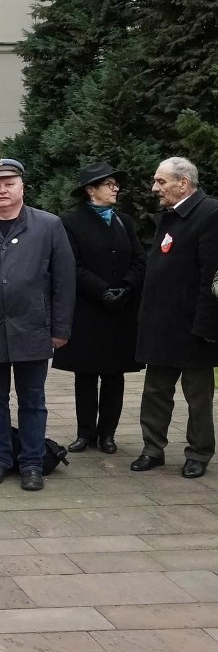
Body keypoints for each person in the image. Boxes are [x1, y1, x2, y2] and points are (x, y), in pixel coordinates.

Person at [0, 158, 75, 491]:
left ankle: (33, 463)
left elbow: (64, 281)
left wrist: (60, 329)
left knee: (32, 401)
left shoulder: (48, 226)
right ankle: (0, 460)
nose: (2, 190)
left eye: (9, 184)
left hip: (33, 329)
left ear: (22, 186)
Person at [131, 157, 218, 479]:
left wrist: (206, 327)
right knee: (155, 391)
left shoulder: (210, 213)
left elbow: (212, 275)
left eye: (161, 181)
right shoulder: (171, 215)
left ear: (184, 183)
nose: (155, 188)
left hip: (194, 327)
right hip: (161, 325)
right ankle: (152, 448)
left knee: (197, 397)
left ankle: (199, 453)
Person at [52, 162, 146, 455]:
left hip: (120, 310)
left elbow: (140, 259)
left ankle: (108, 434)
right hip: (89, 309)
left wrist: (126, 287)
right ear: (91, 190)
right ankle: (85, 433)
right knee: (86, 373)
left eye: (116, 183)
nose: (115, 188)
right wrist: (102, 290)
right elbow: (71, 265)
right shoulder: (70, 222)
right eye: (109, 184)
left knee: (114, 374)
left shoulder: (124, 221)